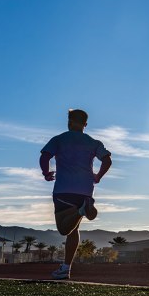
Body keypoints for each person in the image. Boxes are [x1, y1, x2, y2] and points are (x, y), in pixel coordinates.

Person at [40, 109, 112, 280]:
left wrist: (46, 173)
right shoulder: (93, 142)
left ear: (69, 121)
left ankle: (81, 211)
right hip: (85, 191)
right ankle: (66, 268)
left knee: (64, 229)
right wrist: (98, 177)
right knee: (74, 229)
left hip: (64, 189)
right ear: (85, 124)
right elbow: (107, 160)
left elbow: (45, 156)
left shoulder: (59, 139)